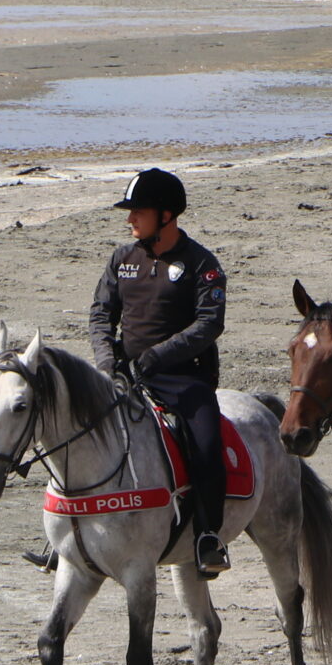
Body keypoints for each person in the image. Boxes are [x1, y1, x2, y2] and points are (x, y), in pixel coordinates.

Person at [90, 167, 233, 576]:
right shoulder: (123, 258)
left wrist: (155, 357)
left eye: (138, 211)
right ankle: (66, 533)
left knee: (206, 447)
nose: (129, 219)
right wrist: (106, 363)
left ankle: (208, 537)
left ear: (166, 216)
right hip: (124, 375)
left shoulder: (201, 264)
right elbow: (101, 313)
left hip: (184, 380)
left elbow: (209, 324)